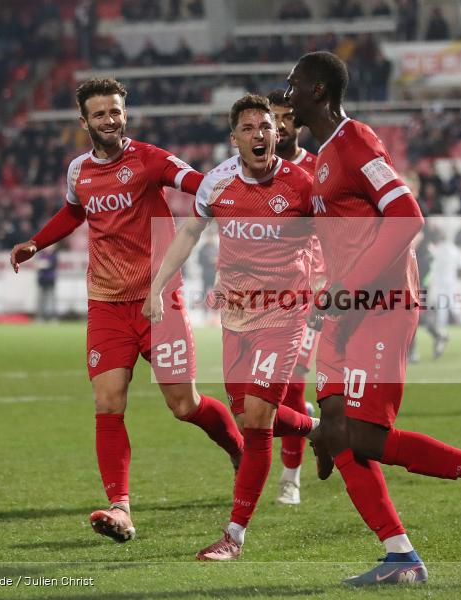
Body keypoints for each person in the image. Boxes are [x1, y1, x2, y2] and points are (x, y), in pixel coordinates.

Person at [285, 51, 461, 586]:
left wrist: (348, 290)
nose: (287, 94)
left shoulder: (356, 142)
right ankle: (400, 556)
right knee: (333, 428)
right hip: (343, 312)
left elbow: (407, 216)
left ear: (320, 92)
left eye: (294, 86)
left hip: (380, 305)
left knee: (367, 439)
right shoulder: (323, 155)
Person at [9, 77, 244, 543]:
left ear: (124, 113)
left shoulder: (149, 158)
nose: (110, 120)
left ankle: (239, 448)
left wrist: (230, 197)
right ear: (85, 122)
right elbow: (75, 211)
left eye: (115, 111)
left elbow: (195, 183)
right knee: (107, 402)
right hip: (106, 305)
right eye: (100, 114)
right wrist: (38, 242)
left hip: (158, 301)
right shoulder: (79, 171)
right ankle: (121, 508)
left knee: (184, 405)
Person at [145, 94, 320, 561]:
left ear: (277, 134)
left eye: (267, 127)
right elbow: (188, 234)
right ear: (235, 138)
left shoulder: (302, 185)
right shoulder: (217, 183)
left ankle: (234, 537)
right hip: (236, 316)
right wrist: (157, 285)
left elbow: (334, 240)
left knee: (258, 424)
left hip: (285, 315)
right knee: (245, 416)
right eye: (249, 128)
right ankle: (322, 432)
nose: (260, 134)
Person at [268, 88, 322, 504]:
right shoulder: (251, 173)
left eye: (287, 116)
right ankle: (318, 432)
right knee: (256, 392)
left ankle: (291, 477)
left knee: (292, 385)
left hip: (307, 295)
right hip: (259, 298)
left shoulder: (318, 169)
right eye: (273, 118)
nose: (280, 125)